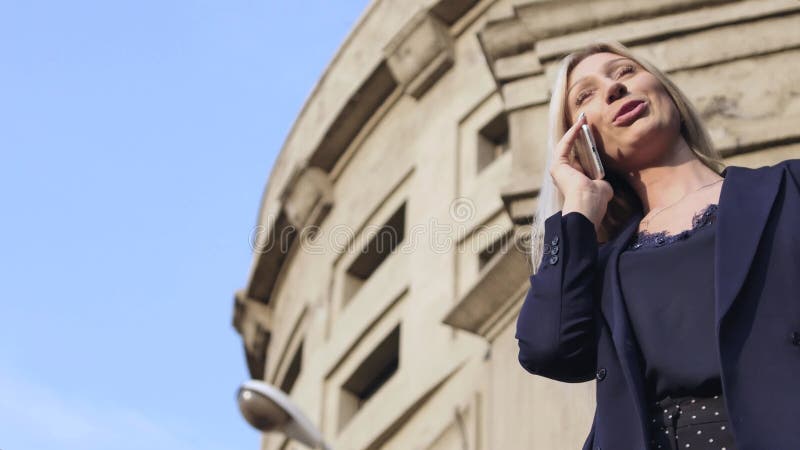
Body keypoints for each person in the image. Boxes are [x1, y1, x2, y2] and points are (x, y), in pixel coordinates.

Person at [515, 38, 800, 450]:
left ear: (664, 90)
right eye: (585, 95)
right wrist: (579, 208)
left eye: (624, 72)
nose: (613, 89)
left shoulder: (788, 188)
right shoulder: (600, 269)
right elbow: (547, 349)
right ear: (581, 143)